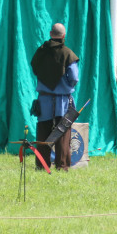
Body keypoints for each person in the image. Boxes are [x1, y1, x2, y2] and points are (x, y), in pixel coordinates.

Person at [30, 23, 79, 171]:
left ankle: (41, 166)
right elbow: (74, 77)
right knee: (63, 133)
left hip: (44, 100)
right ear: (64, 36)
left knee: (43, 133)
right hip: (63, 101)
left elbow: (35, 68)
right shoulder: (68, 54)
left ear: (51, 33)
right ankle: (62, 166)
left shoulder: (40, 52)